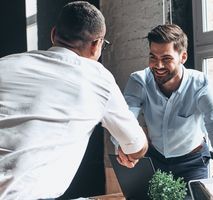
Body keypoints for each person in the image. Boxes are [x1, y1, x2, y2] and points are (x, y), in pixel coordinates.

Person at [0, 2, 148, 199]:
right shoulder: (97, 77)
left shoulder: (5, 64)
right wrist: (129, 152)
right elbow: (137, 145)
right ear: (97, 45)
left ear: (53, 34)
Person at [123, 24, 213, 183]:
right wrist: (123, 147)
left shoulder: (201, 84)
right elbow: (124, 120)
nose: (158, 65)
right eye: (153, 57)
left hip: (192, 163)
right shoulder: (139, 80)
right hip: (155, 159)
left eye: (166, 58)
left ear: (183, 57)